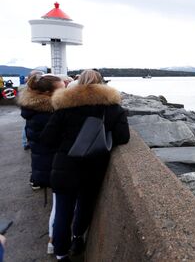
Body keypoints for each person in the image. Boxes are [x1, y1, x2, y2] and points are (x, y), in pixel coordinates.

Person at [41, 70, 130, 260]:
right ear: (102, 83)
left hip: (65, 167)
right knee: (84, 206)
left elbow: (47, 139)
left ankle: (61, 255)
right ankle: (77, 239)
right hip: (94, 168)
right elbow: (123, 138)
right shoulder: (112, 107)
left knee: (63, 213)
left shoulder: (64, 106)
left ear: (79, 83)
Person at [17, 73, 63, 254]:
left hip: (43, 165)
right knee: (60, 207)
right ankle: (55, 243)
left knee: (58, 205)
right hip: (54, 166)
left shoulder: (33, 111)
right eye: (61, 89)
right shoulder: (49, 114)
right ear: (47, 93)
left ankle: (55, 242)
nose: (66, 92)